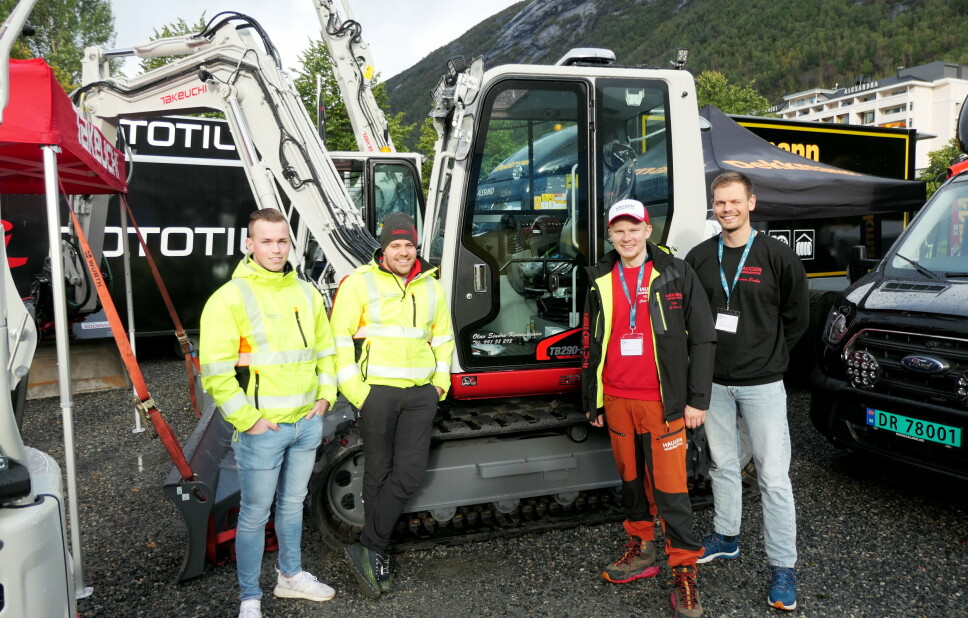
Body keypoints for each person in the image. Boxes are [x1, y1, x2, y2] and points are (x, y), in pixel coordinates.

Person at [199, 208, 338, 618]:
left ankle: (290, 577)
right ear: (249, 244)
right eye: (266, 241)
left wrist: (325, 397)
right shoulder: (229, 298)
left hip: (306, 423)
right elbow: (216, 373)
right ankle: (249, 598)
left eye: (282, 241)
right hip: (263, 431)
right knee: (255, 516)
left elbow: (326, 351)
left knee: (293, 506)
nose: (276, 249)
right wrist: (249, 420)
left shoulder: (307, 293)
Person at [582, 198, 716, 618]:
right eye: (618, 230)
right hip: (617, 398)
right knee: (631, 481)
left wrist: (697, 399)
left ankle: (684, 569)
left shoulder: (676, 273)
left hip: (663, 403)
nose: (626, 237)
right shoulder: (600, 277)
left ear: (647, 229)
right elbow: (592, 342)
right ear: (611, 235)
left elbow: (703, 337)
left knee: (672, 490)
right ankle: (641, 548)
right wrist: (593, 399)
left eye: (633, 228)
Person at [684, 171, 809, 612]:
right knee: (723, 464)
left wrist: (770, 355)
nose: (727, 210)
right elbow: (689, 319)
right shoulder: (700, 257)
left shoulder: (778, 256)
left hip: (763, 384)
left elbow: (797, 317)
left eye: (735, 202)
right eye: (720, 203)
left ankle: (783, 567)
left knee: (774, 478)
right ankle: (727, 535)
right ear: (713, 207)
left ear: (751, 203)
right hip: (714, 384)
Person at [330, 212, 454, 598]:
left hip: (421, 394)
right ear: (383, 250)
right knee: (378, 472)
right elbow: (338, 338)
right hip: (377, 392)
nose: (403, 251)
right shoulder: (359, 284)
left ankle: (369, 545)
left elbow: (443, 339)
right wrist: (357, 390)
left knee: (410, 473)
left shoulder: (431, 287)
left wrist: (439, 385)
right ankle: (375, 549)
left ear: (416, 248)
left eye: (408, 245)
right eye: (395, 245)